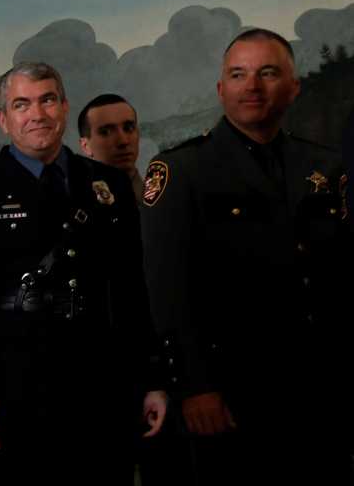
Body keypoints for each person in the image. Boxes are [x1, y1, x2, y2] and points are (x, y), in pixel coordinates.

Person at [0, 62, 167, 485]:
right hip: (14, 396)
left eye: (47, 100)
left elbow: (133, 291)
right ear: (4, 119)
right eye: (22, 104)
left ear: (63, 107)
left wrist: (152, 380)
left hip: (102, 393)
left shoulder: (107, 186)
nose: (36, 114)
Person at [141, 28, 352, 483]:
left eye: (267, 73)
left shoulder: (326, 166)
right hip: (232, 391)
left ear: (294, 87)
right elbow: (167, 291)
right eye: (238, 75)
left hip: (323, 384)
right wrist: (195, 386)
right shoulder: (181, 171)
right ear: (221, 90)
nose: (251, 86)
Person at [77, 94, 145, 202]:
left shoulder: (165, 198)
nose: (123, 141)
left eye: (128, 128)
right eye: (106, 132)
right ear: (86, 146)